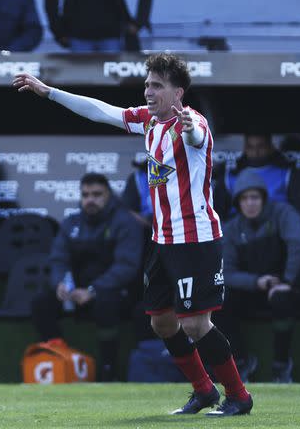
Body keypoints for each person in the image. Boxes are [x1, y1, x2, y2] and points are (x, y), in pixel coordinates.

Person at [14, 53, 253, 416]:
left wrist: (189, 125)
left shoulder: (192, 124)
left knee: (194, 323)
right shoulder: (148, 122)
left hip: (195, 239)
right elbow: (101, 110)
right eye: (147, 85)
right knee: (161, 321)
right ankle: (203, 391)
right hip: (163, 241)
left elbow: (198, 136)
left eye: (157, 85)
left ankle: (239, 395)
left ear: (178, 93)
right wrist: (49, 92)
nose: (148, 91)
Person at [31, 173, 143, 381]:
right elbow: (58, 259)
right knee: (41, 303)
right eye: (85, 195)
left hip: (114, 292)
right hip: (76, 293)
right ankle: (62, 358)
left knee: (106, 304)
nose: (90, 200)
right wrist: (61, 283)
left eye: (97, 194)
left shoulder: (125, 222)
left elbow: (127, 267)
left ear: (109, 195)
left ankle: (108, 370)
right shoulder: (71, 223)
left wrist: (93, 290)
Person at [213, 169, 300, 384]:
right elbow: (226, 273)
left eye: (255, 197)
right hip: (254, 289)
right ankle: (241, 362)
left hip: (288, 286)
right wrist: (256, 282)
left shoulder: (282, 213)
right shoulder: (231, 228)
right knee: (219, 302)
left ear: (263, 199)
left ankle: (281, 366)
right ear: (238, 202)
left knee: (281, 300)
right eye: (245, 198)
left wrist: (286, 281)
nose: (250, 203)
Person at [213, 132, 300, 234]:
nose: (256, 151)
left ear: (270, 147)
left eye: (261, 146)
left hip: (277, 235)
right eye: (251, 147)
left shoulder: (288, 174)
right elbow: (217, 218)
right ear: (245, 148)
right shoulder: (230, 175)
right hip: (239, 238)